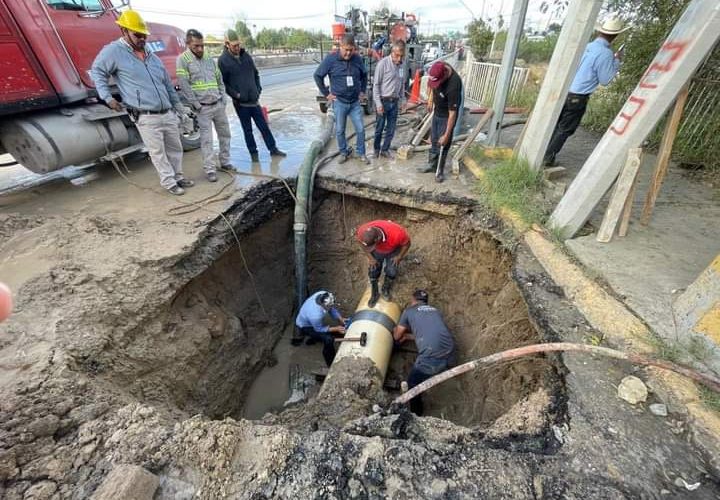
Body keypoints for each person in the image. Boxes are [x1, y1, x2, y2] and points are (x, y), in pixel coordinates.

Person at [91, 10, 192, 196]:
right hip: (145, 115)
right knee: (158, 152)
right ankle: (170, 183)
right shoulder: (114, 52)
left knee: (175, 148)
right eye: (137, 35)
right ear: (124, 31)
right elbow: (97, 71)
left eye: (144, 35)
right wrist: (108, 98)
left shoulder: (152, 56)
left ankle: (178, 176)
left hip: (166, 112)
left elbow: (167, 85)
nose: (142, 39)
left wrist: (179, 109)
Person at [543, 16, 629, 166]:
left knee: (555, 125)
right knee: (565, 129)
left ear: (600, 32)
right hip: (578, 96)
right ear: (615, 35)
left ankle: (542, 153)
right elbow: (605, 80)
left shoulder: (586, 46)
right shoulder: (606, 54)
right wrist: (616, 62)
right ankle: (547, 159)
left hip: (564, 90)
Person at [218, 29, 286, 163]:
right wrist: (236, 95)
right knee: (247, 130)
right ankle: (254, 154)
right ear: (227, 44)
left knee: (263, 126)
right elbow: (223, 83)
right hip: (241, 104)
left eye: (238, 45)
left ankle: (273, 149)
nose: (237, 48)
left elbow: (255, 74)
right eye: (234, 45)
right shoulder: (223, 61)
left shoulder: (246, 56)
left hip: (254, 100)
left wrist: (258, 89)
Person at [176, 29, 233, 182]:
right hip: (203, 108)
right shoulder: (183, 60)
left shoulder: (209, 59)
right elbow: (184, 84)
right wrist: (196, 105)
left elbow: (219, 80)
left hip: (218, 105)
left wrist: (223, 98)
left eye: (202, 45)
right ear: (188, 44)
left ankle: (225, 162)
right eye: (196, 46)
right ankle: (210, 169)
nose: (200, 49)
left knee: (225, 134)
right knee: (207, 140)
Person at [393, 289, 456, 415]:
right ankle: (447, 367)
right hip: (450, 352)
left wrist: (395, 330)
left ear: (413, 300)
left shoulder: (409, 311)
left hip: (432, 359)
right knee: (438, 357)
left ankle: (417, 414)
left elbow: (396, 336)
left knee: (412, 383)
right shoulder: (434, 311)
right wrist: (409, 336)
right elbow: (428, 332)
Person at [314, 34, 370, 165]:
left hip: (355, 102)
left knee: (361, 129)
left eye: (351, 50)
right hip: (339, 102)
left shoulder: (357, 59)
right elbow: (317, 75)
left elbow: (364, 74)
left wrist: (362, 90)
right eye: (346, 50)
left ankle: (361, 153)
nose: (349, 53)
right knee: (340, 130)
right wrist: (326, 94)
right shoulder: (331, 59)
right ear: (341, 47)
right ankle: (343, 152)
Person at [417, 61, 463, 183]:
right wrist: (430, 100)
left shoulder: (454, 85)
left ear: (445, 74)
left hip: (447, 116)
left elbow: (453, 114)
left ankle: (439, 170)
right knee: (433, 139)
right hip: (437, 112)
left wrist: (447, 135)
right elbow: (431, 85)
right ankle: (431, 165)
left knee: (443, 143)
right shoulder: (438, 67)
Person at [355, 219, 411, 307]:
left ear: (378, 238)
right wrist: (370, 258)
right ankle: (375, 293)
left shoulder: (397, 233)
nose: (370, 247)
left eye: (372, 245)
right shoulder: (363, 231)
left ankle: (385, 289)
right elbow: (359, 241)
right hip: (377, 251)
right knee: (373, 271)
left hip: (393, 250)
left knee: (391, 271)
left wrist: (399, 257)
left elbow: (407, 244)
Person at [372, 40, 406, 159]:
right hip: (383, 101)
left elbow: (402, 84)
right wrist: (378, 104)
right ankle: (376, 149)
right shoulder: (383, 64)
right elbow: (376, 85)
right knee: (379, 128)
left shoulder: (402, 65)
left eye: (401, 56)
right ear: (392, 52)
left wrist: (402, 101)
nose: (399, 58)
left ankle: (385, 150)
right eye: (397, 55)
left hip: (394, 102)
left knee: (391, 129)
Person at [294, 290, 347, 367]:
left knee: (323, 333)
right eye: (329, 306)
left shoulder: (322, 294)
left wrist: (340, 318)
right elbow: (319, 329)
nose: (331, 307)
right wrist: (336, 328)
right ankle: (330, 361)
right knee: (328, 339)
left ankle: (313, 339)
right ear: (324, 305)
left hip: (310, 320)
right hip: (305, 326)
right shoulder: (315, 315)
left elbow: (331, 309)